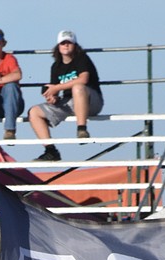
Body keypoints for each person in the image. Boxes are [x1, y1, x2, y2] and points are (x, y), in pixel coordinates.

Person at [28, 29, 104, 161]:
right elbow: (54, 90)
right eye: (63, 43)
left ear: (75, 45)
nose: (66, 45)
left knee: (78, 88)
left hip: (91, 100)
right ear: (58, 46)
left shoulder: (82, 58)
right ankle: (50, 151)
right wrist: (52, 97)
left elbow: (83, 79)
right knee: (34, 112)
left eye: (69, 42)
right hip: (70, 102)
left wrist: (57, 87)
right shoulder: (56, 66)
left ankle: (82, 129)